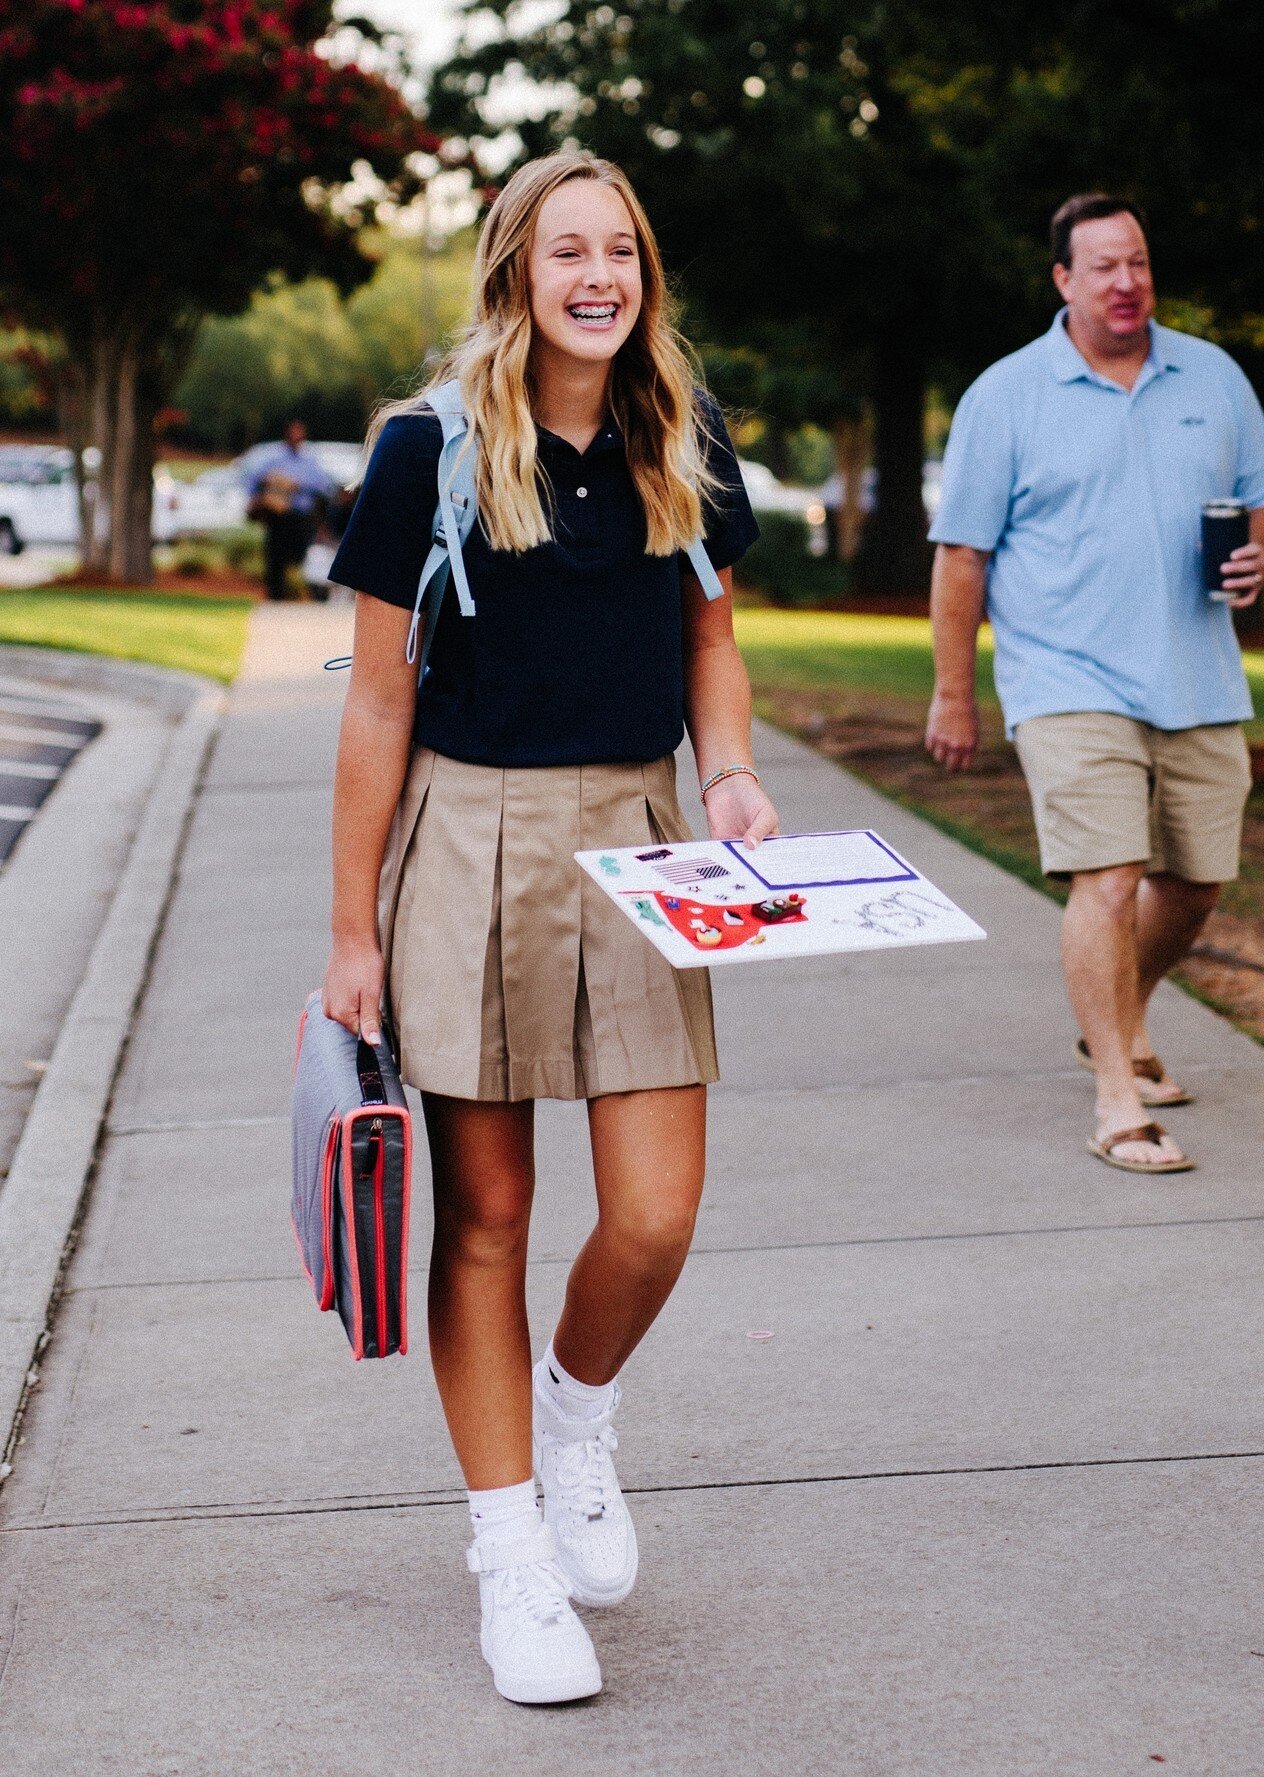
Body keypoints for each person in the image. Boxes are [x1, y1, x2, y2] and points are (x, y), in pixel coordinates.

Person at [322, 151, 774, 1705]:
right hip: (466, 838)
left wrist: (727, 776)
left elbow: (710, 636)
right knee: (489, 1217)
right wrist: (349, 931)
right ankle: (506, 1550)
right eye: (567, 250)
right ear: (516, 268)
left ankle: (578, 1415)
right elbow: (379, 699)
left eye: (623, 253)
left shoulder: (682, 433)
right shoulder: (426, 449)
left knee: (651, 1215)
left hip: (644, 839)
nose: (598, 277)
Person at [925, 193, 1264, 1176]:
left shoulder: (1210, 376)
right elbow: (961, 558)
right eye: (1102, 267)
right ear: (1061, 281)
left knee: (1195, 881)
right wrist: (952, 692)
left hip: (1197, 673)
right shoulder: (1004, 395)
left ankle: (1114, 1022)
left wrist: (1259, 559)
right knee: (1108, 874)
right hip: (1063, 674)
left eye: (1137, 263)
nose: (1125, 283)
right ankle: (1117, 1101)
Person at [244, 419, 336, 600]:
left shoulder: (309, 459)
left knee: (304, 555)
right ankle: (275, 595)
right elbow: (253, 480)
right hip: (278, 516)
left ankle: (307, 593)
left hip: (301, 516)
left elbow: (324, 486)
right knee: (276, 556)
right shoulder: (273, 458)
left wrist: (299, 485)